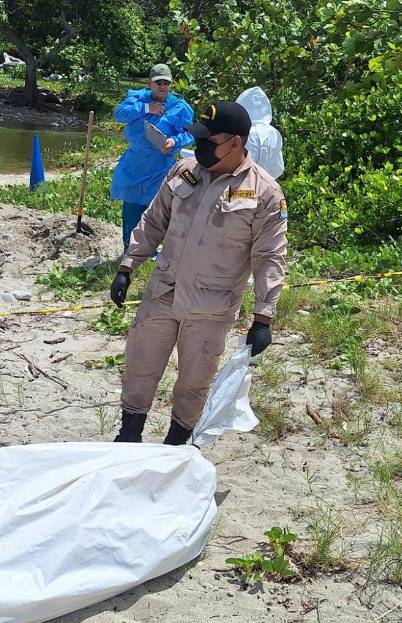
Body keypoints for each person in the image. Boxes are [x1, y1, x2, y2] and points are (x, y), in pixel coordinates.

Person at [108, 101, 288, 445]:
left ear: (235, 143)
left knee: (194, 381)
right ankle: (129, 435)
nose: (201, 146)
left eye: (209, 140)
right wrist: (128, 266)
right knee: (139, 367)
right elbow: (153, 221)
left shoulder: (265, 193)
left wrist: (263, 318)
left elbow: (270, 257)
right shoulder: (183, 172)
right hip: (163, 293)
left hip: (210, 307)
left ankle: (175, 446)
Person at [109, 63, 195, 252]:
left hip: (161, 164)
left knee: (157, 209)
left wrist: (174, 141)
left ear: (171, 84)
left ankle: (152, 251)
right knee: (131, 208)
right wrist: (147, 108)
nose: (162, 86)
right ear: (149, 83)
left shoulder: (180, 107)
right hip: (134, 163)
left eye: (166, 82)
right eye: (158, 82)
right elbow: (118, 114)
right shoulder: (137, 99)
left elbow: (189, 133)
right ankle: (130, 249)